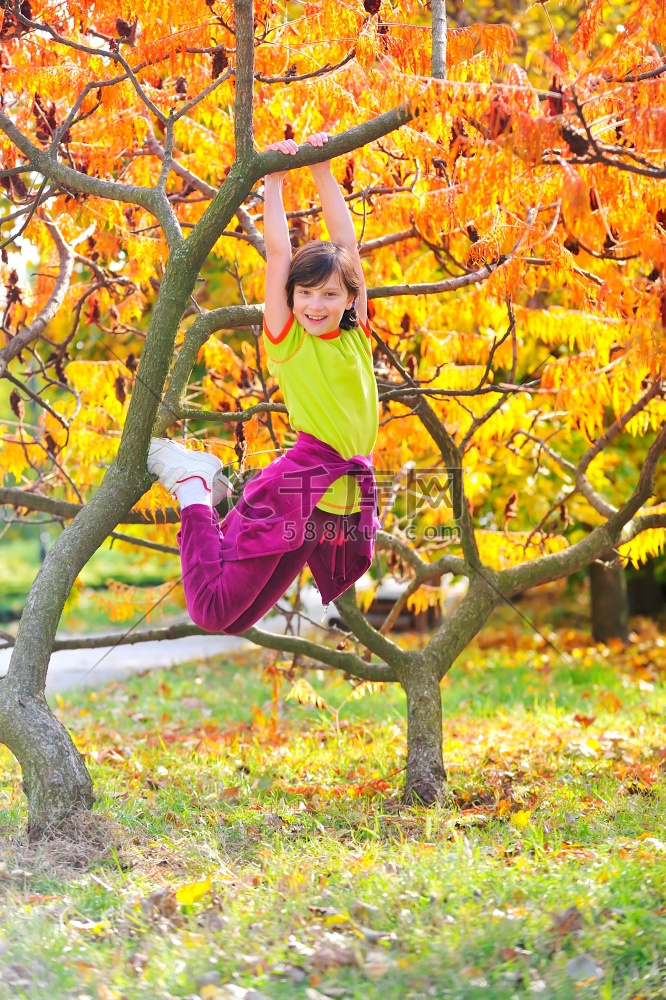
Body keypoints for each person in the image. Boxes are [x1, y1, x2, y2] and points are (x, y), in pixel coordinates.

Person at [147, 132, 379, 634]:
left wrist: (320, 166)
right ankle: (191, 486)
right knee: (212, 611)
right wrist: (273, 179)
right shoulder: (289, 339)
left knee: (239, 619)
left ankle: (203, 488)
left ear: (348, 298)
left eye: (329, 295)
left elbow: (346, 242)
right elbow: (279, 255)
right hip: (297, 488)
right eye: (305, 294)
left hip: (327, 506)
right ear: (291, 298)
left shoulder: (355, 334)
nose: (316, 305)